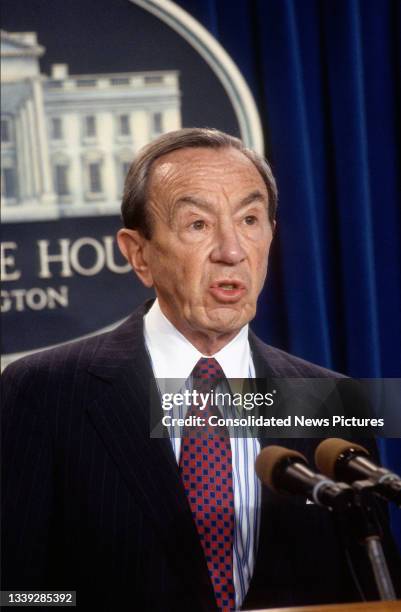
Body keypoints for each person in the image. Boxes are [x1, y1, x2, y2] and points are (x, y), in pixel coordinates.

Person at [2, 128, 399, 611]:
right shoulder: (43, 392)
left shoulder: (330, 401)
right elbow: (17, 592)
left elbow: (371, 590)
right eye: (197, 225)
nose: (232, 251)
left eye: (250, 219)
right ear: (138, 254)